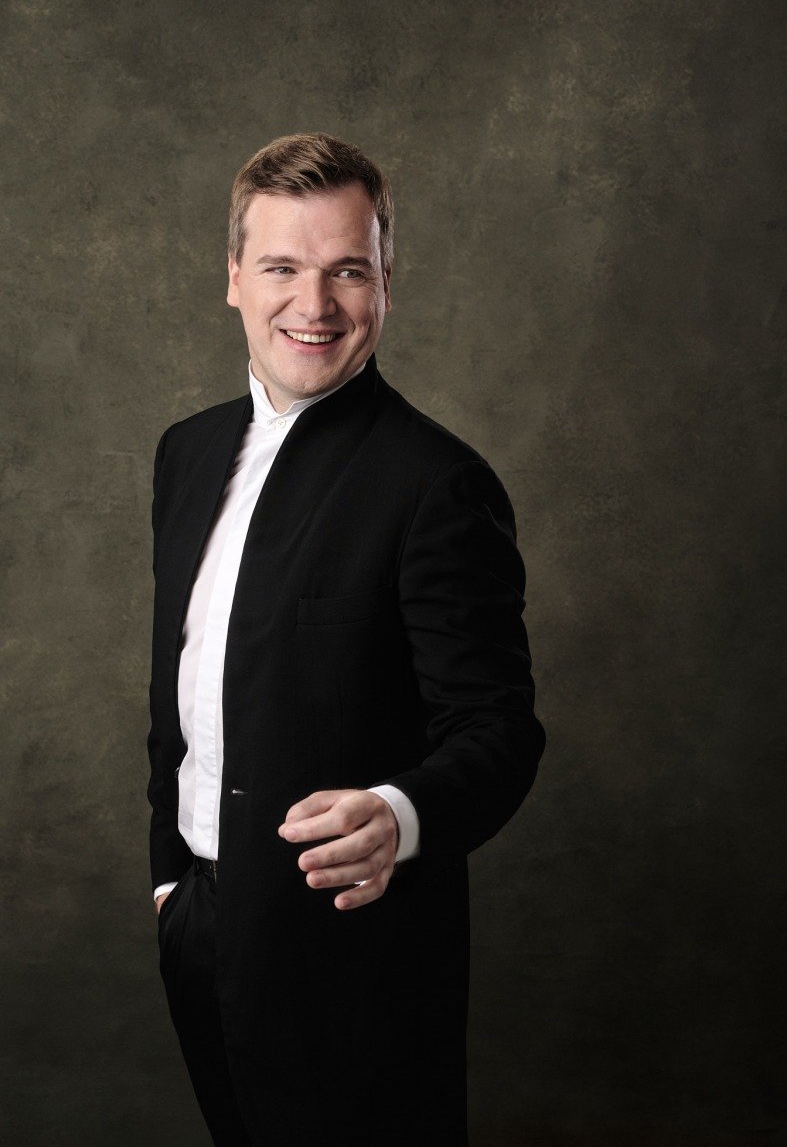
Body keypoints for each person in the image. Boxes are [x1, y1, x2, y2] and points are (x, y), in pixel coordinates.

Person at [146, 132, 545, 1147]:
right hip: (199, 926)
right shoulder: (186, 453)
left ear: (385, 284)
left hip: (356, 959)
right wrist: (168, 881)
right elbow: (180, 688)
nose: (313, 305)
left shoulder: (437, 482)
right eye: (281, 267)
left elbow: (498, 731)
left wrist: (400, 816)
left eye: (348, 272)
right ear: (234, 278)